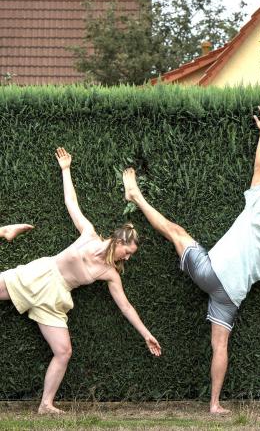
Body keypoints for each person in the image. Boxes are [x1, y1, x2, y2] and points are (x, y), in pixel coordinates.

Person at [122, 106, 260, 414]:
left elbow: (259, 169)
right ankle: (215, 405)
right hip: (230, 296)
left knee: (175, 232)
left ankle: (136, 197)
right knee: (220, 346)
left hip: (211, 273)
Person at [0, 148, 161, 414]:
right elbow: (71, 203)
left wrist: (146, 335)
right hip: (39, 276)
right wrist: (66, 170)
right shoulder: (88, 234)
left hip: (55, 299)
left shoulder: (110, 274)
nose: (128, 259)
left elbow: (126, 307)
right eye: (128, 253)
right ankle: (4, 231)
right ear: (120, 242)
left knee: (64, 351)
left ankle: (45, 405)